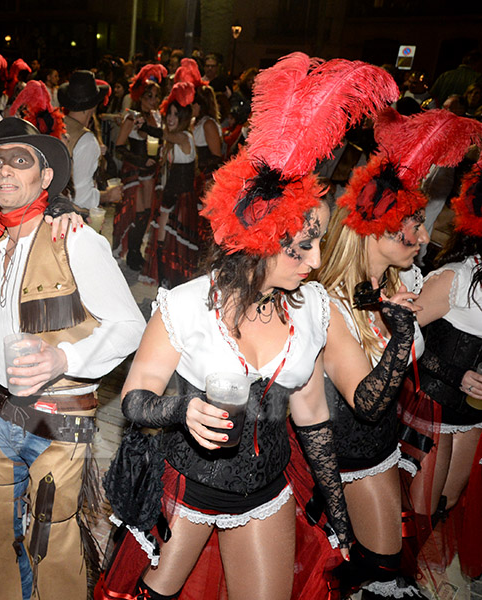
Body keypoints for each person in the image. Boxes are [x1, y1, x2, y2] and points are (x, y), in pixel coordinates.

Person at [97, 52, 397, 600]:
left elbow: (312, 419)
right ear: (262, 241)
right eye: (301, 246)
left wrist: (338, 514)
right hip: (183, 492)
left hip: (265, 493)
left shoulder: (312, 310)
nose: (313, 261)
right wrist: (181, 410)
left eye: (318, 245)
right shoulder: (187, 305)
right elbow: (135, 398)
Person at [0, 117, 146, 599]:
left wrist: (64, 358)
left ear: (45, 178)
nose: (4, 171)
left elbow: (130, 327)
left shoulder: (74, 238)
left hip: (59, 418)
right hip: (1, 413)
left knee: (51, 532)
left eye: (20, 161)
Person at [319, 107, 482, 598]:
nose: (426, 235)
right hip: (348, 460)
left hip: (386, 451)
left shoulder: (402, 282)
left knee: (380, 572)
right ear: (379, 229)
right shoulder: (329, 303)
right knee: (381, 577)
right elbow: (364, 400)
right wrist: (406, 335)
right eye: (413, 224)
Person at [411, 160, 482, 583]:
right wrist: (456, 375)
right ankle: (395, 581)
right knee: (422, 505)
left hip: (471, 410)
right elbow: (397, 344)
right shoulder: (455, 277)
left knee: (449, 497)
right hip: (433, 402)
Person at [140, 81, 197, 287]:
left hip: (180, 199)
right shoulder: (174, 140)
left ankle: (173, 287)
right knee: (162, 241)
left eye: (175, 115)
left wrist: (146, 127)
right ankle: (166, 285)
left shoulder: (184, 137)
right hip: (171, 198)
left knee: (174, 244)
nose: (171, 118)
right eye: (169, 114)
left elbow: (165, 134)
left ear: (183, 118)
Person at [114, 64, 166, 271]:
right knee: (134, 213)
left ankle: (136, 252)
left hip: (152, 171)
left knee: (146, 213)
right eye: (149, 97)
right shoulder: (132, 118)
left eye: (155, 97)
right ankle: (129, 252)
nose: (153, 101)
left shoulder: (157, 117)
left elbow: (162, 137)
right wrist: (140, 161)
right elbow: (118, 147)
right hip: (136, 170)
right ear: (140, 97)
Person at [58, 70, 122, 210]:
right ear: (93, 105)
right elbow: (80, 196)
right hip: (71, 216)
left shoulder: (58, 124)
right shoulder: (86, 140)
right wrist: (108, 196)